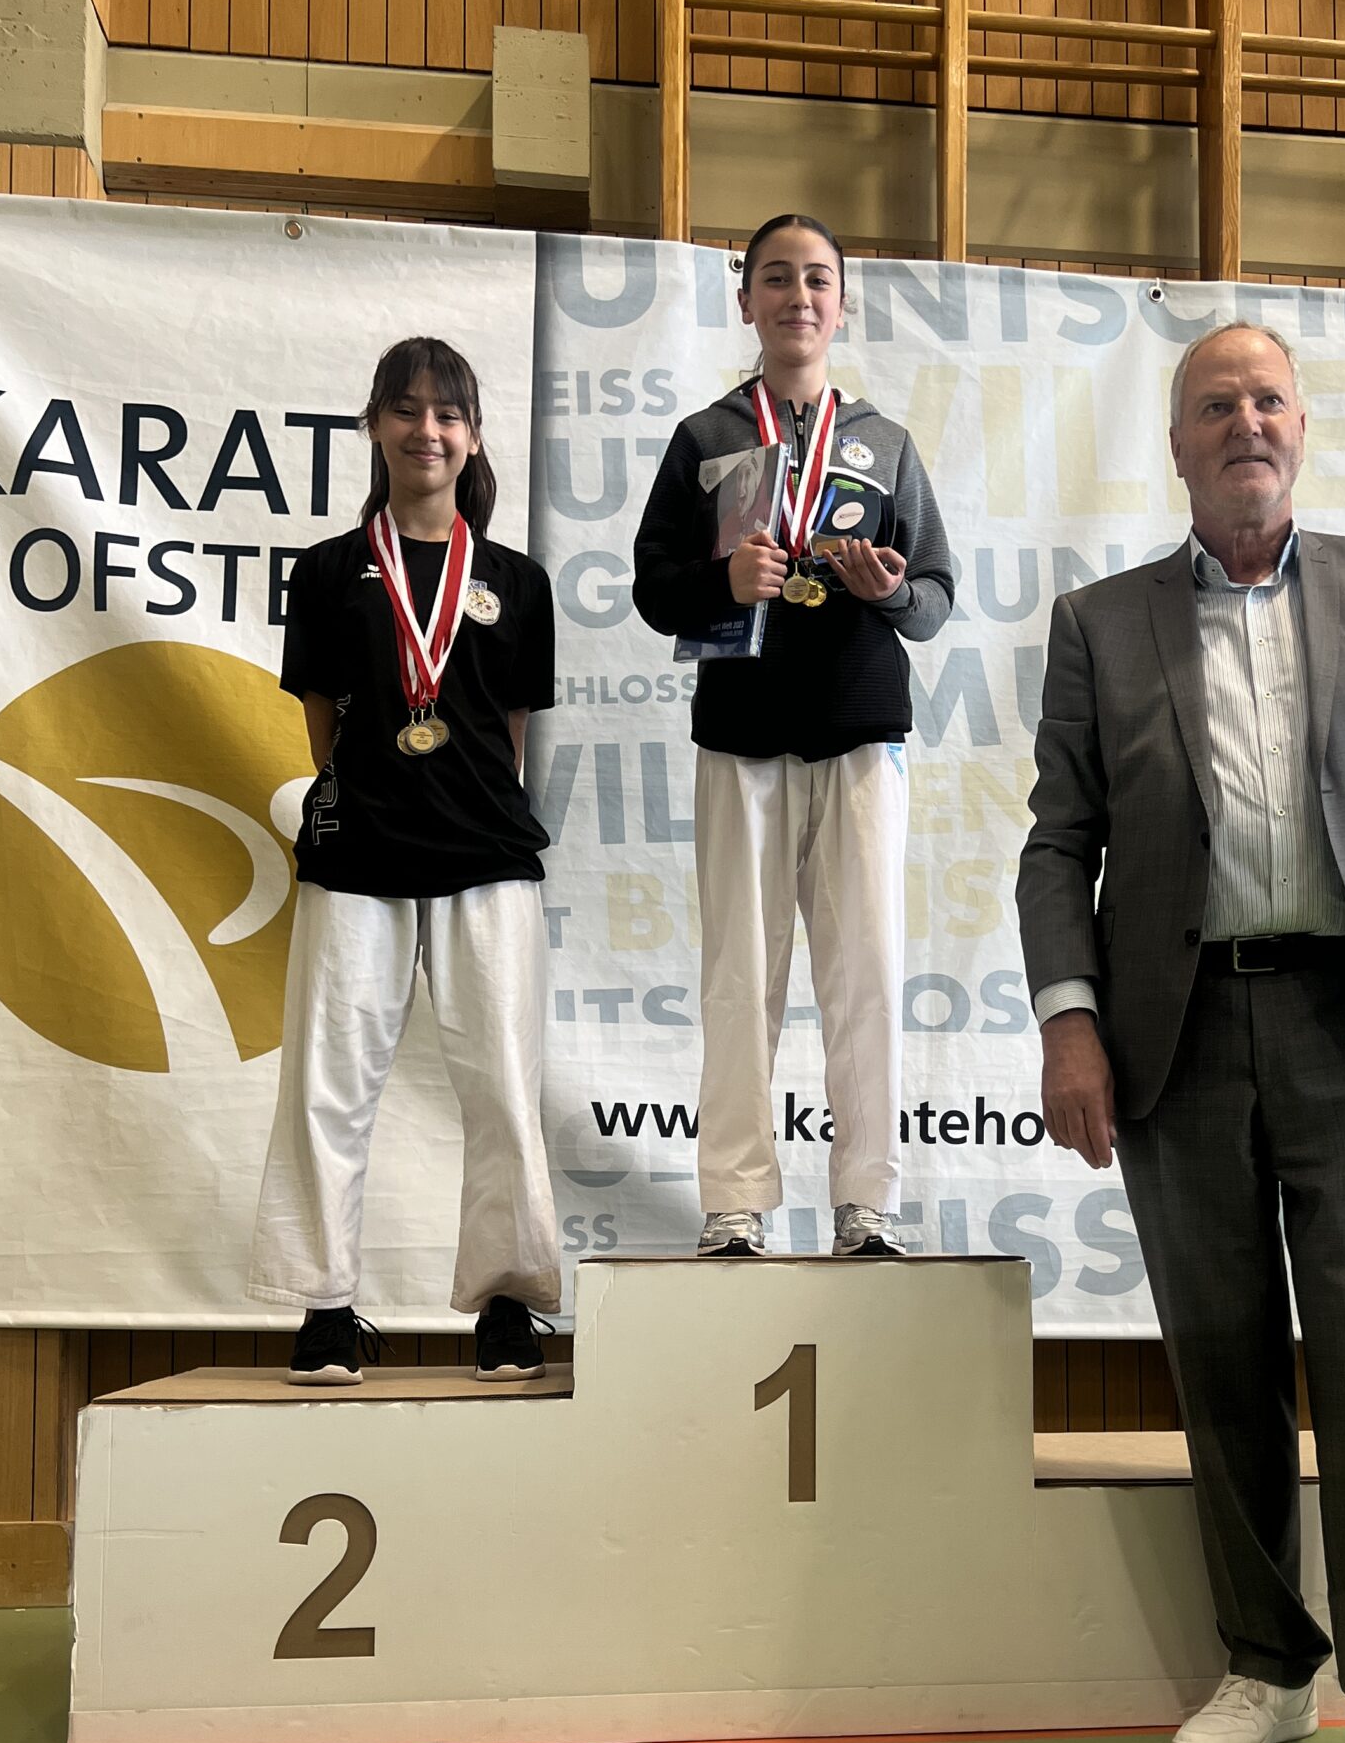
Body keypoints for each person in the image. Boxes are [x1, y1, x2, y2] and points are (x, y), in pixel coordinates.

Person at [1017, 322, 1345, 1743]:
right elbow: (1059, 844)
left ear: (1302, 429)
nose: (1247, 421)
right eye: (1216, 404)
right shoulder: (1102, 624)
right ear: (1176, 444)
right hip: (1174, 1033)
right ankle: (1266, 1664)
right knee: (1218, 1350)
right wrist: (1069, 1020)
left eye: (1269, 399)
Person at [631, 213, 954, 1259]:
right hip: (742, 738)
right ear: (746, 302)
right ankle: (734, 1204)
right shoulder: (705, 438)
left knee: (867, 975)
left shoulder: (885, 443)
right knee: (740, 976)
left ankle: (867, 1203)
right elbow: (652, 586)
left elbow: (936, 596)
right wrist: (720, 581)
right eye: (776, 278)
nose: (798, 296)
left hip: (861, 734)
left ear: (842, 305)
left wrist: (890, 590)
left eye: (817, 280)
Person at [249, 335, 560, 1383]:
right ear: (375, 425)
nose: (428, 430)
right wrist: (379, 795)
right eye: (408, 409)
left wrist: (461, 796)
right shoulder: (327, 572)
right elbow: (322, 727)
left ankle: (508, 1306)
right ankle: (327, 1306)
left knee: (502, 1087)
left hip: (488, 856)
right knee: (328, 1084)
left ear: (472, 437)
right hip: (361, 856)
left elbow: (510, 734)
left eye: (448, 413)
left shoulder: (518, 582)